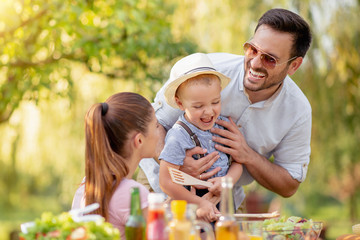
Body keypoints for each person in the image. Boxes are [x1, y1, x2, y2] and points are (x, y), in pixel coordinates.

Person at [139, 7, 312, 213]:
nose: (255, 63)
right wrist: (175, 163)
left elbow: (289, 185)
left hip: (221, 199)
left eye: (270, 59)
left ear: (294, 66)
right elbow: (152, 123)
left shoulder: (298, 112)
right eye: (252, 49)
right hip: (159, 187)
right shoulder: (208, 70)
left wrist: (247, 155)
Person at [158, 53, 243, 222]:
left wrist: (227, 181)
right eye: (198, 106)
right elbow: (166, 180)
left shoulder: (223, 125)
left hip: (223, 201)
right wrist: (199, 203)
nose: (209, 112)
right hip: (191, 204)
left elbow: (238, 162)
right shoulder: (179, 135)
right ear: (180, 104)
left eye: (215, 102)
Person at [71, 92, 162, 239]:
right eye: (157, 126)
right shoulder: (133, 193)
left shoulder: (88, 184)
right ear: (139, 140)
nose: (159, 133)